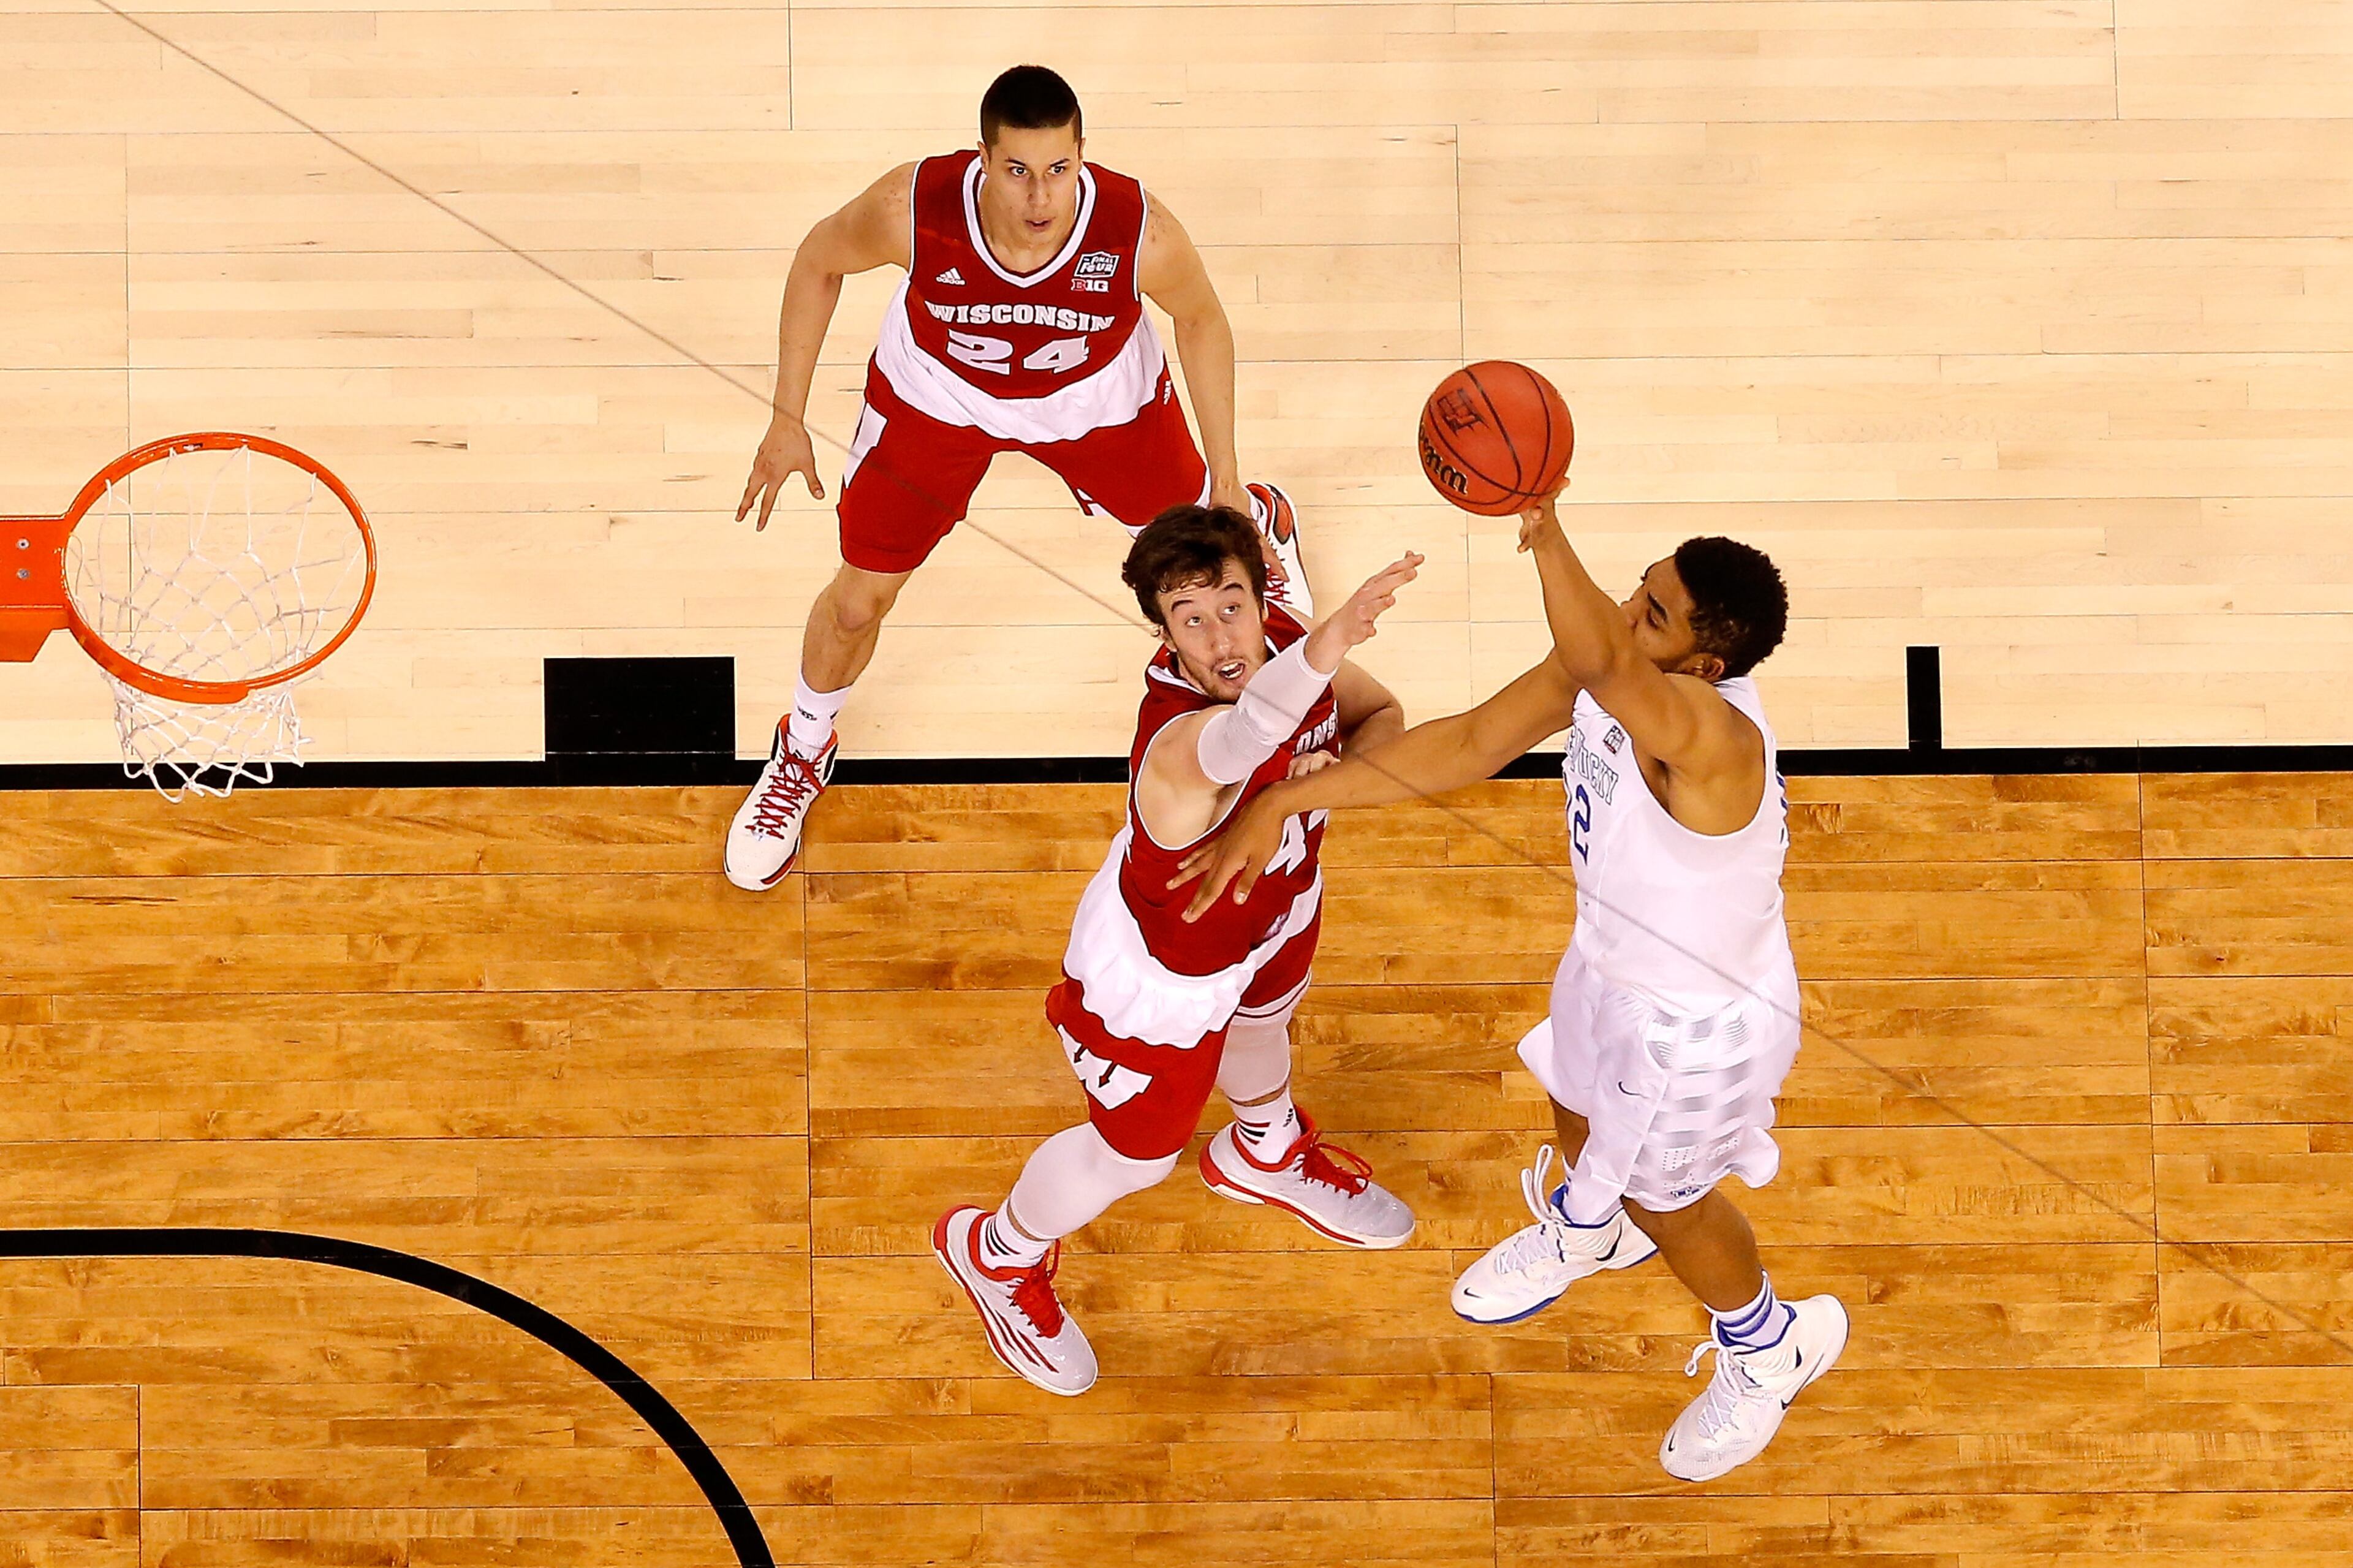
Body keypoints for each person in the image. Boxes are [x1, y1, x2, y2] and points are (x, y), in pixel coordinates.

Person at [1170, 491, 1841, 1481]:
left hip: (1698, 1025)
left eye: (1653, 615)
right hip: (1609, 968)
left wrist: (1545, 525)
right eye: (1637, 590)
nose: (1624, 616)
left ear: (1704, 665)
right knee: (1573, 1106)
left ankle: (1767, 1343)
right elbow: (1471, 742)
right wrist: (1285, 798)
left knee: (1678, 1202)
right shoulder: (1609, 668)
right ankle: (1592, 1226)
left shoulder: (1712, 737)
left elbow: (1605, 661)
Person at [724, 64, 1309, 890]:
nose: (1041, 197)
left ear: (1083, 158)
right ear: (982, 158)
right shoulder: (912, 209)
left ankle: (1263, 527)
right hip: (939, 397)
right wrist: (787, 417)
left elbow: (1202, 317)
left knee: (1202, 555)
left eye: (1060, 170)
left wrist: (1226, 474)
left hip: (1098, 402)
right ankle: (805, 747)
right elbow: (818, 260)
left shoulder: (1137, 230)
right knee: (859, 600)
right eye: (1017, 171)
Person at [933, 505, 1419, 1396]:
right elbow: (1250, 739)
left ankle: (1262, 1152)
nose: (1220, 636)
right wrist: (1333, 640)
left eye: (1231, 604)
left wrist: (1336, 781)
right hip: (1171, 974)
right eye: (1189, 620)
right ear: (1162, 635)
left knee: (1268, 1019)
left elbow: (1382, 713)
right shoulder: (1180, 737)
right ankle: (995, 1253)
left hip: (1277, 904)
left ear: (1260, 593)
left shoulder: (1281, 642)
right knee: (1135, 1157)